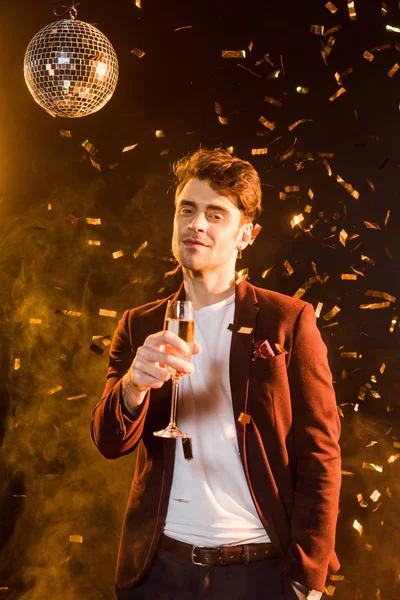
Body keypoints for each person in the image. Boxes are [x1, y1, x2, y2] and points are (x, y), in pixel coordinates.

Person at [90, 148, 341, 600]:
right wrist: (132, 386)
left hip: (261, 571)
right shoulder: (138, 324)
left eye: (215, 214)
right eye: (187, 209)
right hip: (159, 572)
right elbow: (109, 442)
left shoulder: (288, 320)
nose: (196, 224)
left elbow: (321, 454)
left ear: (247, 234)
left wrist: (308, 578)